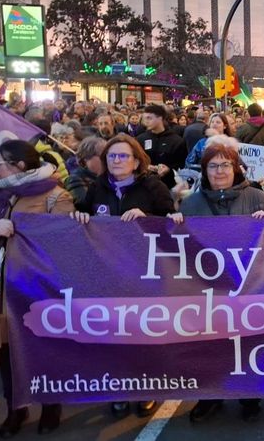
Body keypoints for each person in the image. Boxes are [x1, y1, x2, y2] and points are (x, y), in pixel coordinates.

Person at [0, 140, 74, 438]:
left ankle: (51, 405)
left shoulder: (55, 194)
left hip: (38, 286)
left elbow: (64, 238)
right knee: (7, 354)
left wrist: (26, 233)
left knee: (45, 348)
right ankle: (16, 408)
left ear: (19, 166)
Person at [168, 141, 264, 423]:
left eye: (225, 165)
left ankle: (249, 397)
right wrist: (174, 223)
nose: (219, 171)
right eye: (212, 166)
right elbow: (179, 248)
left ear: (236, 168)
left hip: (248, 286)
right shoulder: (191, 203)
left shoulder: (256, 197)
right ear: (205, 170)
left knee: (247, 344)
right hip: (207, 289)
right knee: (210, 345)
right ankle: (210, 396)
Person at [73, 134, 174, 420]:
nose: (117, 161)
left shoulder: (154, 187)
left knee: (145, 332)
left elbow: (172, 222)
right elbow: (83, 218)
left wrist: (148, 218)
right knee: (114, 333)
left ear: (137, 160)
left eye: (123, 156)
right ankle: (118, 388)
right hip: (109, 273)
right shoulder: (97, 188)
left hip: (147, 273)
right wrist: (79, 217)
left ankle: (147, 388)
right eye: (112, 156)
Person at [136, 104, 187, 188]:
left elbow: (182, 164)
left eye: (149, 118)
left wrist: (168, 168)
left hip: (169, 186)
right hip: (144, 186)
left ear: (160, 118)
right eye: (144, 118)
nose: (146, 121)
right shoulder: (140, 139)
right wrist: (145, 166)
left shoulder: (177, 141)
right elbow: (135, 160)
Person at [64, 136, 106, 207]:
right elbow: (83, 204)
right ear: (87, 159)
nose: (106, 159)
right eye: (102, 155)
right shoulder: (74, 179)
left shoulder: (110, 175)